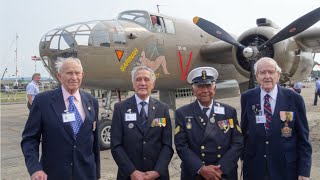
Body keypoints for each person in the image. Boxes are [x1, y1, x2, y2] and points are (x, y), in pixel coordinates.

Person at [21, 57, 100, 180]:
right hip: (53, 174)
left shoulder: (92, 102)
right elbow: (29, 139)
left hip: (86, 174)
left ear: (82, 75)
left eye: (77, 73)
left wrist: (96, 173)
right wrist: (35, 169)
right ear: (59, 76)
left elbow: (94, 142)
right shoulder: (43, 101)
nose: (74, 77)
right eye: (69, 73)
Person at [240, 57, 312, 180]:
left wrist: (304, 171)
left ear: (278, 75)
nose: (267, 76)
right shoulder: (247, 97)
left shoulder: (294, 98)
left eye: (271, 72)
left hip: (285, 169)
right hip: (255, 168)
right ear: (256, 77)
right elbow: (244, 132)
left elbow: (303, 138)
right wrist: (243, 158)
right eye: (262, 72)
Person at [175, 67, 243, 180]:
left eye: (208, 86)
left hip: (223, 173)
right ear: (193, 90)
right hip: (196, 173)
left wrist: (220, 169)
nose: (205, 90)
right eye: (200, 86)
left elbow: (237, 143)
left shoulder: (229, 111)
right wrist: (202, 169)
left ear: (215, 88)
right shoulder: (182, 113)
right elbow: (181, 146)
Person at [111, 66, 173, 180]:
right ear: (133, 84)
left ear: (153, 84)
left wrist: (157, 171)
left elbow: (167, 145)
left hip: (157, 176)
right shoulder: (120, 108)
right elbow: (116, 145)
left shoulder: (162, 109)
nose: (142, 83)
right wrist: (132, 172)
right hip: (129, 176)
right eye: (138, 79)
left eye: (146, 79)